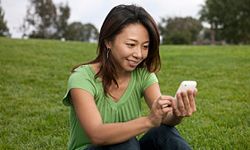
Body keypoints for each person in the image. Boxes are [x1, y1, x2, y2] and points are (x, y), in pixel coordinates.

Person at [63, 4, 197, 150]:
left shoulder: (143, 75)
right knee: (126, 142)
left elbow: (163, 119)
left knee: (163, 132)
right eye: (131, 44)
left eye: (145, 46)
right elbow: (96, 134)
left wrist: (177, 113)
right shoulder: (82, 78)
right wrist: (148, 121)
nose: (139, 54)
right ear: (108, 41)